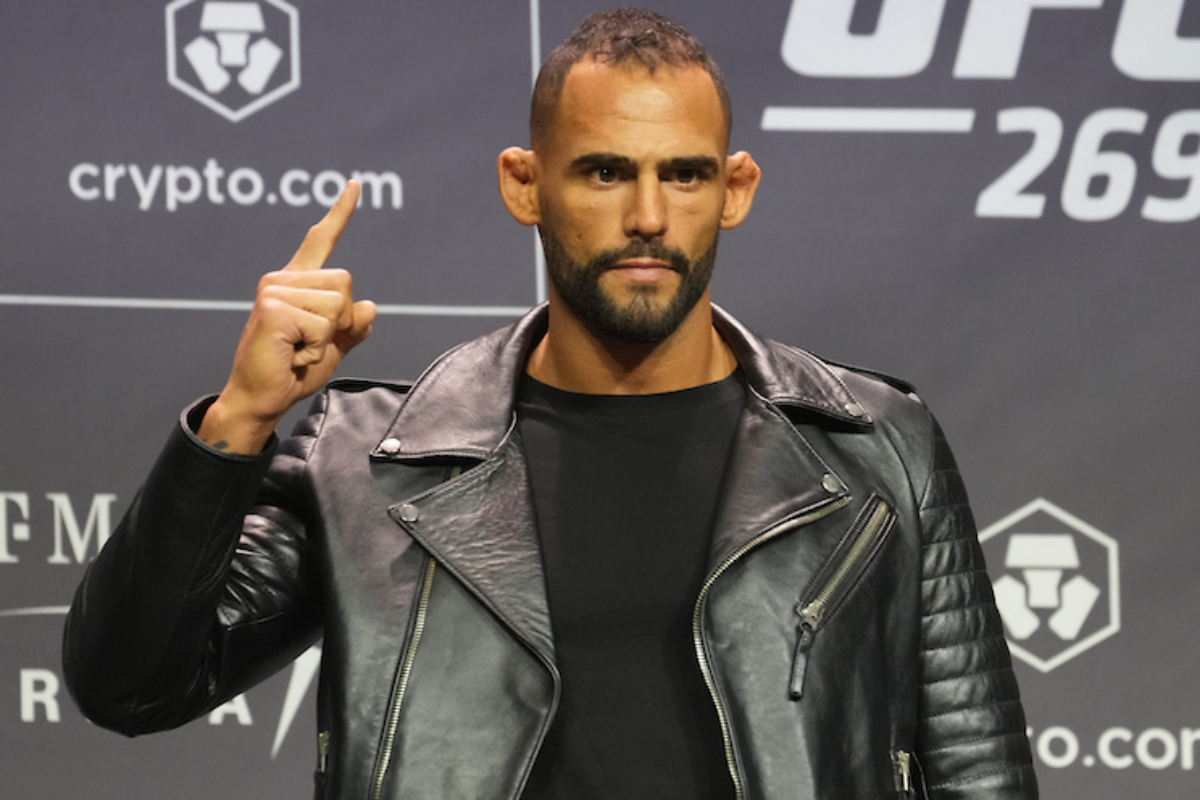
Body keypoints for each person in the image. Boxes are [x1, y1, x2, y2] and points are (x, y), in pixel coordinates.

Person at [64, 9, 1037, 799]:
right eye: (605, 172)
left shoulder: (875, 444)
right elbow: (132, 685)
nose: (648, 216)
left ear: (734, 189)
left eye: (683, 174)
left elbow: (978, 768)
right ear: (524, 185)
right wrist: (239, 419)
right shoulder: (367, 461)